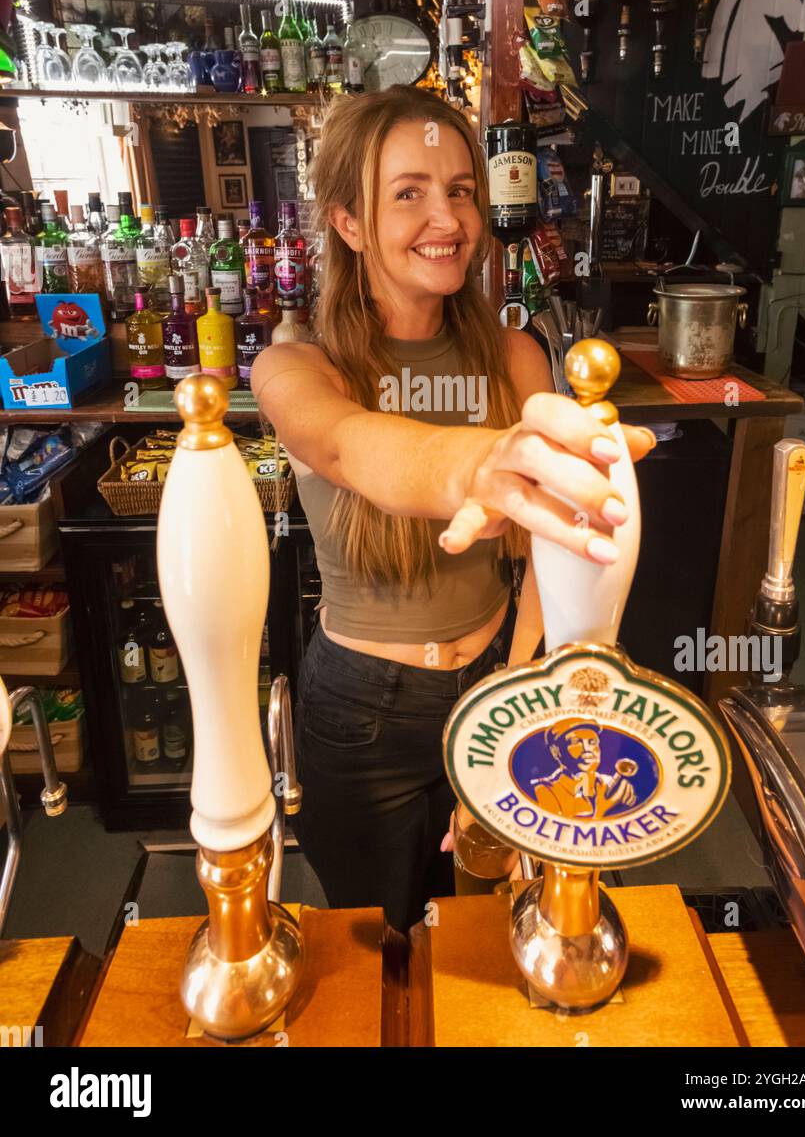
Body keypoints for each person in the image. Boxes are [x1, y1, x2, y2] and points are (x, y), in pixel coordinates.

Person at [253, 86, 654, 933]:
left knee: (491, 936)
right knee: (379, 951)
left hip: (498, 676)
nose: (447, 217)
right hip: (361, 714)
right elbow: (348, 446)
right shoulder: (294, 366)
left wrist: (514, 695)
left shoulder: (513, 352)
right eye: (408, 193)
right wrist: (481, 460)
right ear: (350, 223)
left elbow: (552, 547)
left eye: (461, 189)